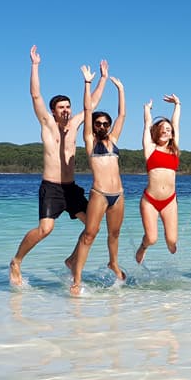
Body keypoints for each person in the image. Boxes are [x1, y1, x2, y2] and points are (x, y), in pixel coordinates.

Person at [9, 46, 107, 286]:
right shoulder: (47, 125)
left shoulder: (75, 125)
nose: (66, 110)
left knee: (93, 226)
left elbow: (91, 104)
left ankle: (73, 260)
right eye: (61, 107)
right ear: (53, 112)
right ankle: (17, 261)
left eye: (68, 106)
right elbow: (35, 96)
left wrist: (102, 79)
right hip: (51, 188)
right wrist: (34, 66)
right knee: (45, 229)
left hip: (71, 188)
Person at [66, 63, 126, 294]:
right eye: (98, 123)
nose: (101, 126)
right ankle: (77, 277)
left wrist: (120, 89)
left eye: (105, 124)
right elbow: (88, 108)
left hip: (118, 195)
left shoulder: (114, 140)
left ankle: (113, 263)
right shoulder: (90, 141)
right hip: (99, 193)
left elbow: (122, 114)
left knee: (115, 233)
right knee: (90, 234)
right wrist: (89, 82)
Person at [135, 94, 182, 264]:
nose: (165, 131)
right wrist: (147, 111)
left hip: (170, 200)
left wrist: (177, 104)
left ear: (171, 135)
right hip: (150, 200)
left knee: (172, 240)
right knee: (152, 238)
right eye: (161, 128)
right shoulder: (150, 148)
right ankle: (143, 246)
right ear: (157, 132)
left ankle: (168, 242)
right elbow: (147, 125)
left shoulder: (174, 149)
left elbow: (175, 123)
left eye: (168, 130)